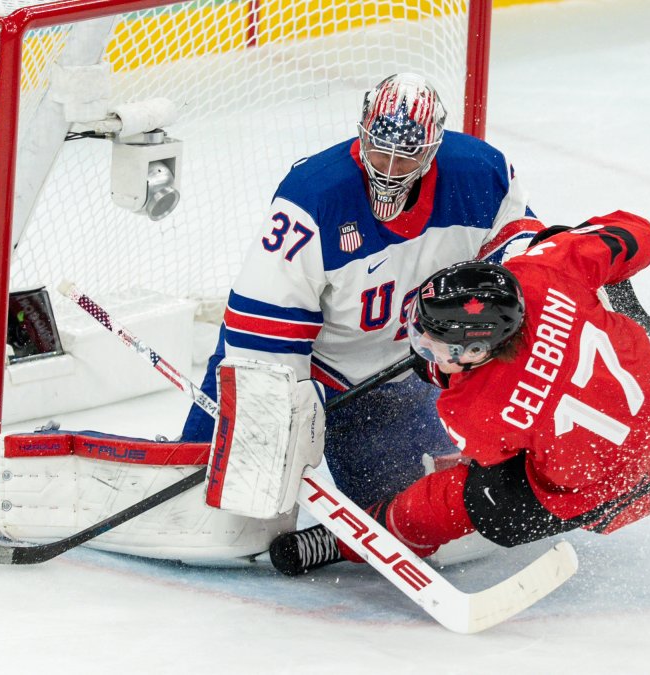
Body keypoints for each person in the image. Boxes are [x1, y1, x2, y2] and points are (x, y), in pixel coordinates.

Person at [181, 73, 540, 507]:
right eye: (380, 148)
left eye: (406, 155)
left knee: (406, 507)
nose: (389, 167)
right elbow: (260, 328)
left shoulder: (481, 175)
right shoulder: (313, 197)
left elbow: (526, 270)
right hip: (318, 369)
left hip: (401, 376)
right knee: (219, 494)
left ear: (432, 148)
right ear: (363, 130)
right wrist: (284, 409)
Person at [269, 210, 650, 575]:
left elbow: (492, 446)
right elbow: (639, 233)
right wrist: (567, 248)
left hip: (605, 495)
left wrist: (449, 379)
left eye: (437, 346)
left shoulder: (472, 408)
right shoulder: (543, 270)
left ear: (476, 351)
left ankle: (353, 539)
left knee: (451, 500)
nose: (423, 349)